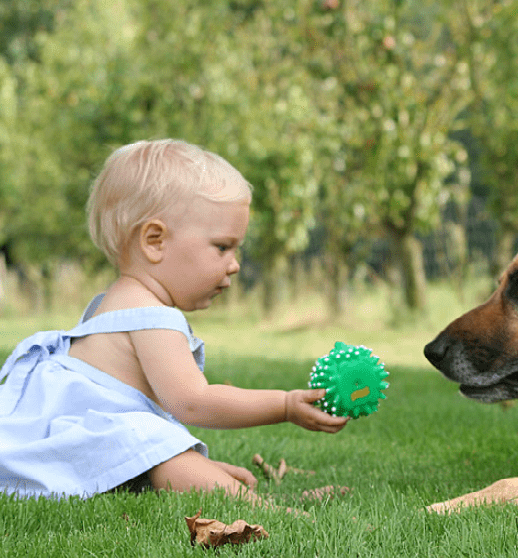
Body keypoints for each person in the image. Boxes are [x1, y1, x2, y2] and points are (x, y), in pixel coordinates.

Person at [0, 139, 349, 504]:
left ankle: (209, 480)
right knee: (158, 445)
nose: (235, 263)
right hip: (66, 446)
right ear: (155, 241)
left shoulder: (115, 302)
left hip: (61, 446)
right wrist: (286, 405)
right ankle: (274, 511)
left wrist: (195, 464)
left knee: (162, 448)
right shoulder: (152, 316)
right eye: (222, 247)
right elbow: (193, 403)